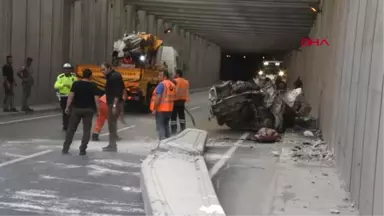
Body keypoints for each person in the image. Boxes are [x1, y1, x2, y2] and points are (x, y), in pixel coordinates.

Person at [62, 69, 100, 155]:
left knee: (71, 129)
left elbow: (71, 96)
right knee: (86, 131)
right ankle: (82, 149)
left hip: (76, 109)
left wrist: (67, 107)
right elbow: (96, 99)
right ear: (90, 76)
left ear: (83, 75)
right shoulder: (93, 85)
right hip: (88, 110)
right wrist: (98, 111)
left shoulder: (76, 84)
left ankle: (65, 148)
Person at [101, 62, 125, 152]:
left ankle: (112, 146)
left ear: (109, 68)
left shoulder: (113, 78)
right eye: (101, 69)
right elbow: (122, 89)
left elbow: (117, 92)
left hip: (113, 104)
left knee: (112, 125)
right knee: (112, 124)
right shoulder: (115, 75)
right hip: (115, 103)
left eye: (103, 69)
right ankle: (112, 145)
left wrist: (114, 106)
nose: (102, 71)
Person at [150, 71, 176, 140]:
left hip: (161, 109)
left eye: (160, 75)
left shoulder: (162, 84)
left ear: (165, 77)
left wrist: (155, 109)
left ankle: (162, 141)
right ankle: (168, 141)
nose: (158, 77)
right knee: (166, 125)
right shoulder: (172, 84)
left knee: (160, 125)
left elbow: (158, 98)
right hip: (169, 109)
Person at [54, 63, 77, 131]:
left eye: (68, 69)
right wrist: (63, 85)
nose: (67, 70)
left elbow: (77, 85)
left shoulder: (74, 77)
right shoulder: (60, 77)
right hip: (63, 96)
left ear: (70, 69)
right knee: (65, 111)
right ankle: (65, 125)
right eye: (65, 69)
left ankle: (71, 124)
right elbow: (56, 85)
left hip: (72, 96)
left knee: (72, 111)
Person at [170, 69, 190, 134]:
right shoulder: (186, 82)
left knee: (173, 117)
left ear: (177, 74)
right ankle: (183, 129)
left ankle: (174, 130)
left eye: (175, 73)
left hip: (175, 101)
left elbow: (171, 90)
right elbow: (186, 91)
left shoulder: (174, 81)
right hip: (182, 101)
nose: (174, 75)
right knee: (182, 116)